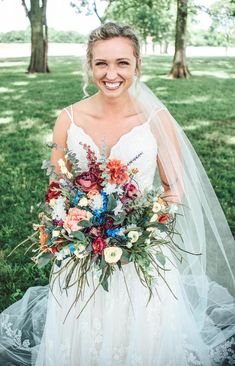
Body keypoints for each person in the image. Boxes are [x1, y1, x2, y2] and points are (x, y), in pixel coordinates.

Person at [0, 22, 235, 366]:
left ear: (137, 65)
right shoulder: (68, 119)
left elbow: (173, 189)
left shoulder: (156, 119)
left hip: (140, 254)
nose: (111, 73)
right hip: (80, 254)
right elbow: (57, 189)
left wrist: (139, 231)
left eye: (122, 62)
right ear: (89, 65)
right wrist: (73, 227)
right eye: (101, 63)